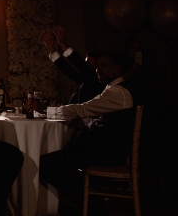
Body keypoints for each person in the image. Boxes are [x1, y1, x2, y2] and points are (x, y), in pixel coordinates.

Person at [27, 51, 138, 204]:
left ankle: (89, 205)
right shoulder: (114, 89)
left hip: (108, 151)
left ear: (117, 69)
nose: (99, 70)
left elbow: (82, 109)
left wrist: (46, 110)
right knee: (59, 157)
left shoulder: (119, 92)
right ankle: (80, 204)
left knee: (46, 164)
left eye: (104, 66)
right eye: (97, 66)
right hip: (106, 147)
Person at [41, 26, 103, 104]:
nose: (84, 68)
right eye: (85, 63)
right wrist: (52, 49)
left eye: (88, 65)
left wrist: (64, 44)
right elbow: (68, 70)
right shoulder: (85, 81)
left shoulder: (98, 83)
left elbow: (81, 66)